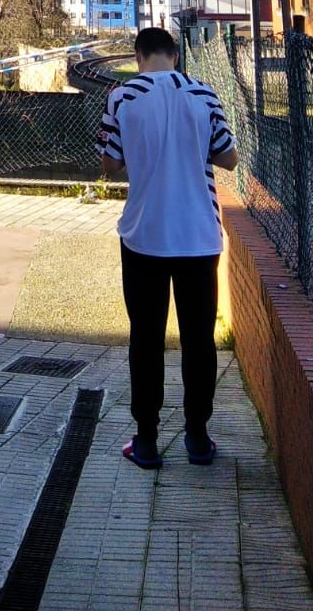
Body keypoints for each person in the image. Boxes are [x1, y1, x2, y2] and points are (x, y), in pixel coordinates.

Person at [98, 26, 237, 470]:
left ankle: (146, 441)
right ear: (175, 55)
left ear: (139, 56)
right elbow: (228, 157)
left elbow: (111, 164)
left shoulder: (122, 97)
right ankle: (197, 438)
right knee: (199, 340)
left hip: (144, 234)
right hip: (199, 234)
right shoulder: (204, 93)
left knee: (146, 338)